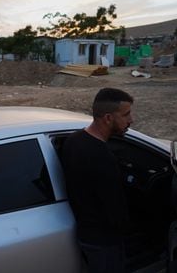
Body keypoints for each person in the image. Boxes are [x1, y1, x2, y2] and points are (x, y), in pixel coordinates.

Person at [61, 88, 134, 273]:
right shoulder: (102, 158)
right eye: (126, 115)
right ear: (108, 118)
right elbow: (115, 212)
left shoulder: (73, 141)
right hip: (105, 242)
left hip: (86, 235)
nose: (131, 120)